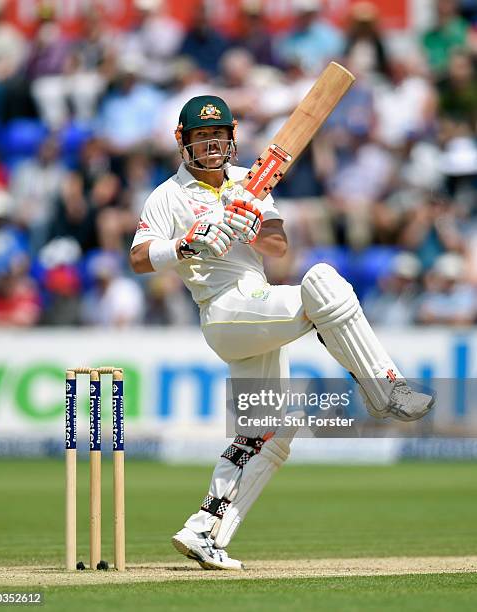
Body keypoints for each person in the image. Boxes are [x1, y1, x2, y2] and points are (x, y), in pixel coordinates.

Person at [129, 95, 434, 570]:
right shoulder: (166, 195)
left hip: (257, 307)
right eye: (200, 137)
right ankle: (384, 388)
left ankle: (205, 530)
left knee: (270, 432)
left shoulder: (247, 182)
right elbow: (138, 257)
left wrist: (248, 223)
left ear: (231, 139)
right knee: (323, 282)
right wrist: (186, 245)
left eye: (218, 135)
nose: (211, 144)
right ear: (183, 142)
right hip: (223, 309)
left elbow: (279, 248)